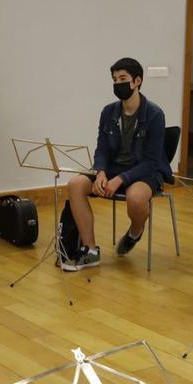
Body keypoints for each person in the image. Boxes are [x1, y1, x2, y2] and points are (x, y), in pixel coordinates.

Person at [61, 57, 173, 271]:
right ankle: (90, 250)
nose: (117, 84)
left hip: (143, 171)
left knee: (136, 197)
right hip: (112, 168)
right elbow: (101, 148)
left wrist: (121, 179)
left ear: (137, 81)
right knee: (75, 184)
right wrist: (101, 172)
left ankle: (135, 232)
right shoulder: (108, 112)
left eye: (123, 78)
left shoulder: (155, 114)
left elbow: (151, 161)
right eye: (114, 79)